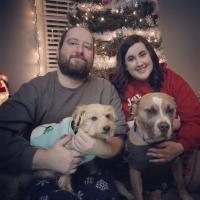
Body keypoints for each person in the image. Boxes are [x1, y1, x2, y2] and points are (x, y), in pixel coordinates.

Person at [0, 26, 128, 200]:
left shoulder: (105, 89)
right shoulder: (35, 89)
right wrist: (47, 158)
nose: (80, 50)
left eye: (87, 47)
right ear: (58, 51)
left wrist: (103, 148)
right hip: (41, 173)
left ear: (93, 56)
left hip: (91, 170)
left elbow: (119, 135)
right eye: (73, 43)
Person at [111, 34, 200, 165]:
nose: (139, 63)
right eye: (131, 59)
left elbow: (195, 118)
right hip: (136, 157)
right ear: (124, 65)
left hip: (176, 154)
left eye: (142, 54)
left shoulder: (170, 79)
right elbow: (115, 128)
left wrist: (181, 146)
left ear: (151, 55)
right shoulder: (116, 88)